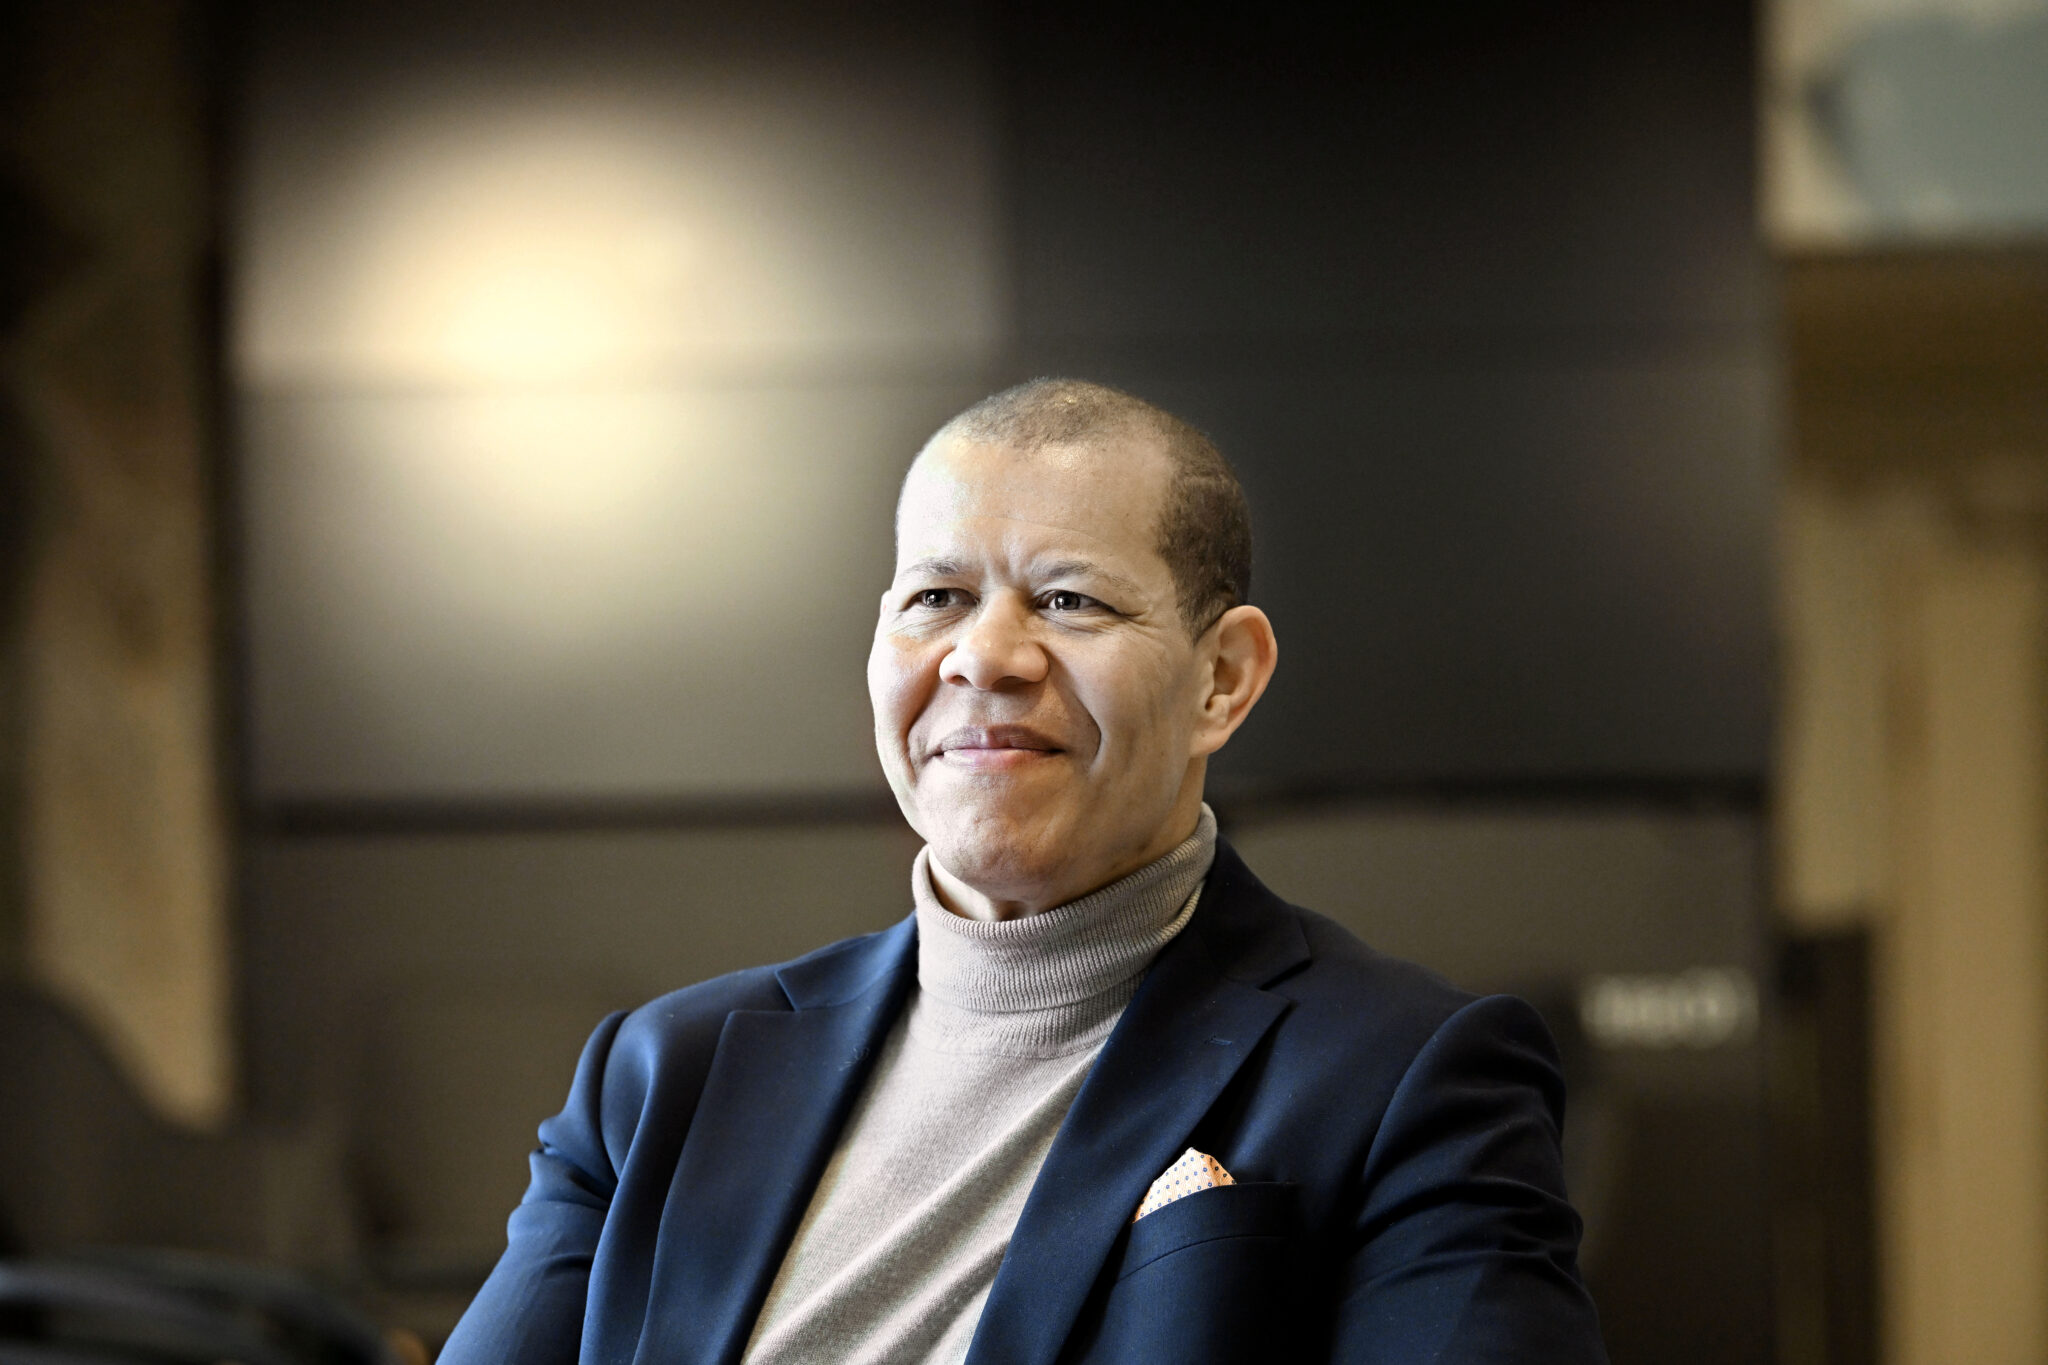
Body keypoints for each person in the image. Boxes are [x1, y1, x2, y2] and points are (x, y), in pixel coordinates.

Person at [439, 379, 1607, 1364]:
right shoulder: (660, 1080)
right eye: (936, 598)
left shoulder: (1406, 1081)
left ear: (1222, 680)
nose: (985, 656)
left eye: (1067, 599)